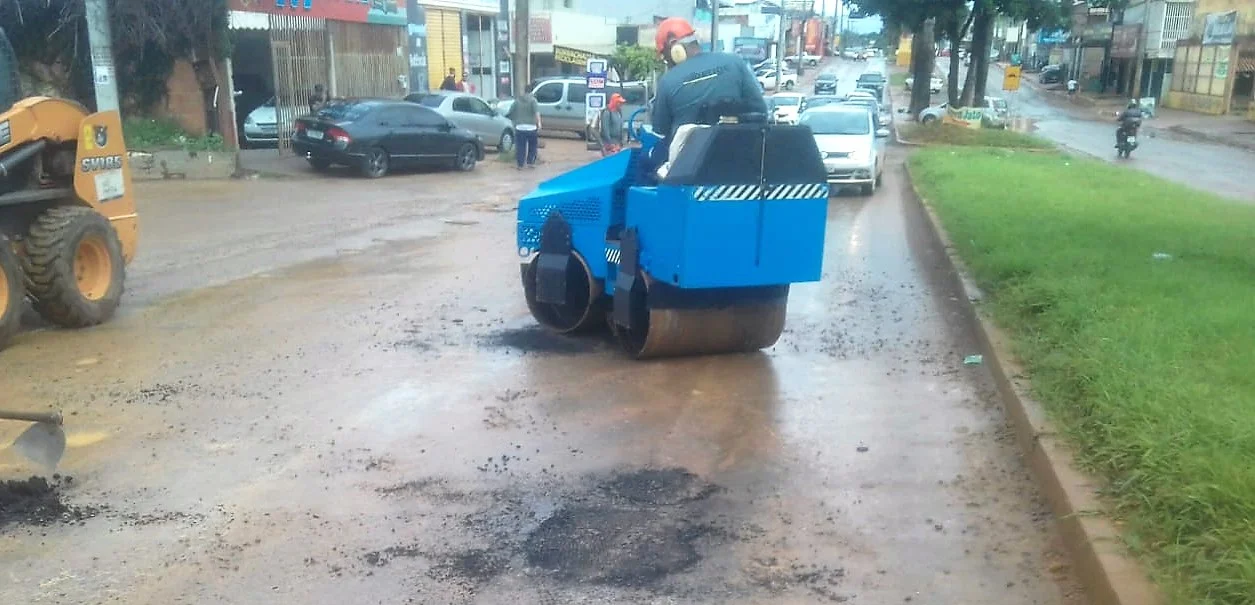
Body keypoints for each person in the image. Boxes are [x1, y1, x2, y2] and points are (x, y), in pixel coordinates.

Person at [649, 17, 768, 169]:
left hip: (690, 172)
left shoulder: (668, 81)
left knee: (645, 165)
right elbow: (760, 110)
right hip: (745, 165)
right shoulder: (735, 62)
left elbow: (661, 131)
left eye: (665, 56)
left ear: (674, 46)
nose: (667, 62)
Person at [506, 91, 541, 170]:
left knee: (520, 147)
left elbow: (510, 112)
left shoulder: (517, 101)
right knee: (533, 146)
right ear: (531, 92)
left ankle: (520, 165)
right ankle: (530, 163)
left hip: (519, 127)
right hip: (532, 127)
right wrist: (539, 123)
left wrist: (514, 120)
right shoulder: (533, 101)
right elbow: (537, 113)